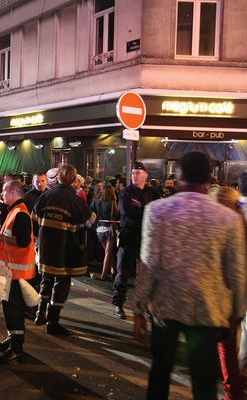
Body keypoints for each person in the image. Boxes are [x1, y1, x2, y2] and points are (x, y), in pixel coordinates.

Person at [134, 151, 246, 400]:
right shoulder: (228, 218)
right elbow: (237, 272)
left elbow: (149, 264)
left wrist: (139, 308)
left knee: (160, 374)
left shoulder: (157, 211)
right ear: (210, 177)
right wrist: (236, 315)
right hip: (208, 310)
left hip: (166, 307)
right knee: (204, 382)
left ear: (180, 174)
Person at [32, 165, 96, 335]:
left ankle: (40, 313)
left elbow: (35, 217)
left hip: (45, 247)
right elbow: (91, 222)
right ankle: (53, 322)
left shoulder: (45, 196)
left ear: (58, 178)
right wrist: (76, 224)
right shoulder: (75, 200)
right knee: (61, 284)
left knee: (46, 280)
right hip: (65, 250)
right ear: (74, 180)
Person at [0, 180, 35, 364]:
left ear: (13, 191)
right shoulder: (15, 210)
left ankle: (17, 347)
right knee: (9, 308)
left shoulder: (20, 213)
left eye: (3, 190)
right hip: (9, 269)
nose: (1, 193)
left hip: (15, 272)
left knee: (14, 309)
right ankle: (12, 339)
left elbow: (23, 241)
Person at [208, 186, 245, 400]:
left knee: (224, 351)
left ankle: (233, 393)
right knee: (229, 351)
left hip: (222, 303)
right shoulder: (240, 224)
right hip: (233, 304)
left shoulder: (223, 230)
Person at [112, 161, 160, 319]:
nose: (134, 175)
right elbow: (127, 212)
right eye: (133, 173)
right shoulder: (125, 192)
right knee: (123, 273)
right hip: (129, 236)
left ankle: (144, 305)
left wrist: (142, 207)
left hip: (147, 237)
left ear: (146, 175)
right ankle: (118, 304)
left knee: (146, 274)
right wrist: (145, 209)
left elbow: (157, 212)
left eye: (138, 173)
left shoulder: (152, 192)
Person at [90, 184, 118, 281]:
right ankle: (103, 275)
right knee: (108, 252)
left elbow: (90, 211)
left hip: (99, 229)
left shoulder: (96, 202)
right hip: (109, 229)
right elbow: (114, 216)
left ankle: (114, 271)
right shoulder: (112, 203)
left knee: (108, 252)